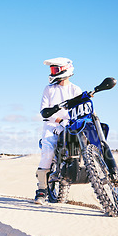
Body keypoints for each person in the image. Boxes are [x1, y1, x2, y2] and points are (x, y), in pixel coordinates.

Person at [35, 57, 82, 204]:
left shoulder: (75, 90)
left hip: (70, 125)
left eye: (55, 70)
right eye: (52, 70)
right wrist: (59, 120)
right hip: (52, 125)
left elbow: (80, 110)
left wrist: (69, 122)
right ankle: (41, 190)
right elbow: (44, 111)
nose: (53, 73)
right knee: (48, 152)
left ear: (65, 70)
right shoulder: (49, 89)